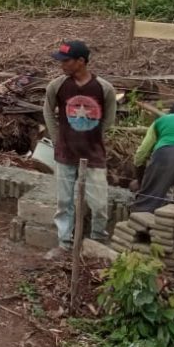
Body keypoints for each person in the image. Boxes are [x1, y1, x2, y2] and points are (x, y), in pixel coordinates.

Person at [43, 40, 117, 250]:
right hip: (65, 153)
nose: (62, 65)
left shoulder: (104, 88)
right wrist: (57, 137)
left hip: (93, 155)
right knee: (64, 203)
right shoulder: (57, 86)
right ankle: (65, 242)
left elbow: (109, 119)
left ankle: (96, 242)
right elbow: (48, 111)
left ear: (81, 61)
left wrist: (94, 137)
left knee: (100, 205)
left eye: (66, 61)